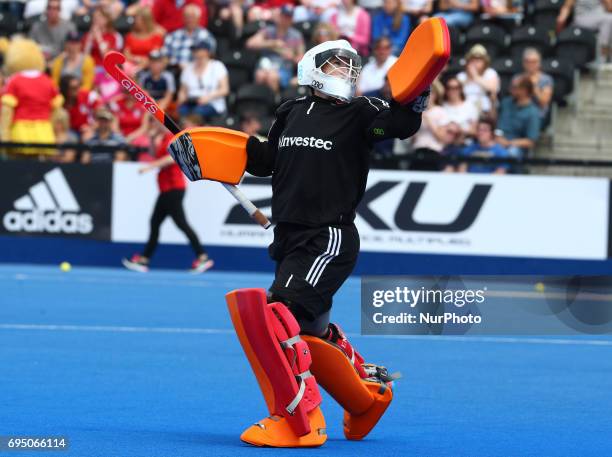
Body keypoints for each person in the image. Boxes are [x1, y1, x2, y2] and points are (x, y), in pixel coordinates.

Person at [234, 39, 425, 447]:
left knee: (278, 318)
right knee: (307, 332)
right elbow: (265, 161)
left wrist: (416, 95)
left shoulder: (362, 112)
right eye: (339, 65)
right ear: (312, 68)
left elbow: (401, 126)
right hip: (289, 235)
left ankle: (300, 422)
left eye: (352, 67)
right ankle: (365, 400)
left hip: (328, 236)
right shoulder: (290, 111)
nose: (348, 73)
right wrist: (207, 153)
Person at [122, 117, 214, 274]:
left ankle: (202, 257)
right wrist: (151, 139)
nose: (154, 125)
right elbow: (153, 154)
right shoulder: (163, 139)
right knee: (156, 223)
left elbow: (171, 158)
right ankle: (144, 259)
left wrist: (150, 167)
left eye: (156, 123)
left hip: (173, 188)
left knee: (180, 224)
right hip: (166, 189)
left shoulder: (173, 138)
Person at [247, 5, 305, 93]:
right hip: (265, 65)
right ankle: (259, 102)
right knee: (260, 75)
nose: (285, 20)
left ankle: (274, 101)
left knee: (272, 76)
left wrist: (292, 56)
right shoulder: (268, 30)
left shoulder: (296, 35)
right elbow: (250, 44)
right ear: (279, 16)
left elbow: (301, 59)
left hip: (283, 67)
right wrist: (271, 43)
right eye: (284, 16)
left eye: (288, 17)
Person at [177, 40, 229, 120]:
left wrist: (208, 97)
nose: (195, 52)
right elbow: (183, 90)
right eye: (194, 50)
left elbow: (225, 89)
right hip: (191, 102)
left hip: (212, 103)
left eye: (198, 49)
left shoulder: (217, 66)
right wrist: (182, 97)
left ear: (206, 51)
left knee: (197, 112)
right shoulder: (188, 68)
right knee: (182, 111)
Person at [408, 80, 451, 169]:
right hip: (417, 150)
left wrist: (427, 119)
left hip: (433, 152)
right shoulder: (416, 112)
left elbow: (442, 137)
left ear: (435, 95)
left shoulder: (440, 111)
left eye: (428, 94)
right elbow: (411, 139)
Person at [496, 75, 541, 157]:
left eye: (514, 87)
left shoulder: (532, 112)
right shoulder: (506, 102)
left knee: (511, 153)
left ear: (525, 90)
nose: (510, 89)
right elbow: (496, 124)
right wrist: (498, 136)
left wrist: (509, 143)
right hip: (497, 141)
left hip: (515, 146)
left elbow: (531, 141)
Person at [161, 3, 217, 69]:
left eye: (192, 17)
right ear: (183, 18)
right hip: (175, 70)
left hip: (197, 71)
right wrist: (175, 64)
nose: (190, 20)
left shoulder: (206, 36)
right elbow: (163, 56)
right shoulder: (173, 36)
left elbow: (210, 58)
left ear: (198, 18)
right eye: (187, 17)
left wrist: (190, 68)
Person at [557, 0, 612, 64]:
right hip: (582, 17)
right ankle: (603, 56)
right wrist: (561, 21)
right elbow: (567, 7)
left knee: (609, 20)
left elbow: (609, 8)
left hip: (600, 16)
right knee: (609, 19)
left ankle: (605, 54)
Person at [457, 44, 500, 114]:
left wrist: (475, 76)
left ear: (485, 62)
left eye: (479, 59)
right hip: (464, 111)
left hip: (485, 111)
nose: (475, 62)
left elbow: (493, 88)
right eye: (473, 59)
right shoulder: (461, 76)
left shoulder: (490, 73)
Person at [124, 5, 165, 75]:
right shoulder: (129, 36)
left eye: (139, 20)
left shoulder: (156, 37)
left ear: (146, 21)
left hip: (149, 67)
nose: (136, 22)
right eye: (135, 19)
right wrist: (137, 59)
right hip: (132, 66)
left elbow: (155, 54)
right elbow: (126, 55)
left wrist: (143, 62)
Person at [515, 47, 553, 119]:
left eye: (534, 62)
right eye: (528, 62)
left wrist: (533, 85)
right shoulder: (517, 78)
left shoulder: (546, 79)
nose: (531, 65)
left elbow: (544, 102)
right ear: (523, 63)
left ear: (539, 63)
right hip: (518, 113)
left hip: (538, 115)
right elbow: (513, 99)